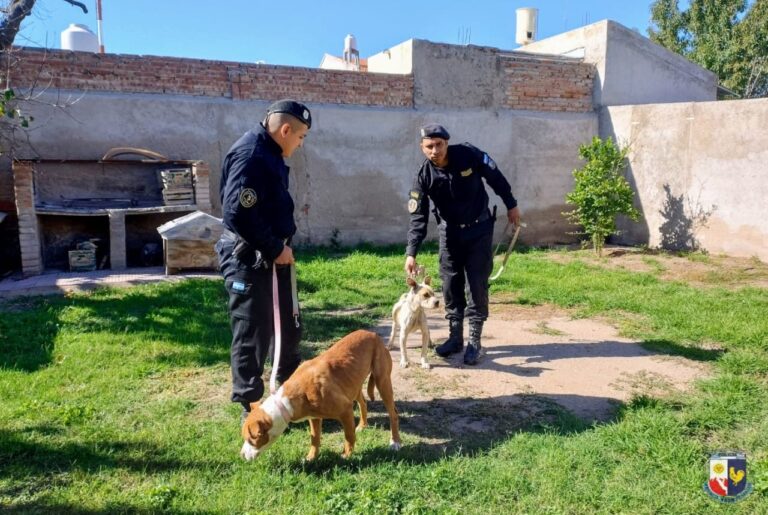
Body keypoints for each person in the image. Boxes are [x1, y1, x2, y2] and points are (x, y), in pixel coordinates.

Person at [215, 99, 311, 422]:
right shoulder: (252, 154)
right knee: (252, 331)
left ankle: (289, 395)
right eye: (300, 137)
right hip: (249, 256)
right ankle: (252, 408)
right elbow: (237, 212)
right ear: (285, 130)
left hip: (272, 257)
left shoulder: (270, 152)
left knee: (288, 326)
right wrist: (274, 247)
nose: (300, 144)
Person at [404, 123, 520, 365]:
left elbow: (495, 177)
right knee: (450, 284)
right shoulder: (423, 176)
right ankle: (455, 338)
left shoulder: (469, 154)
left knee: (477, 283)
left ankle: (474, 341)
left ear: (447, 143)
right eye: (429, 146)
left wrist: (511, 204)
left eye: (439, 145)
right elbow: (418, 217)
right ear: (422, 147)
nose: (434, 150)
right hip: (450, 234)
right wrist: (411, 252)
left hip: (479, 229)